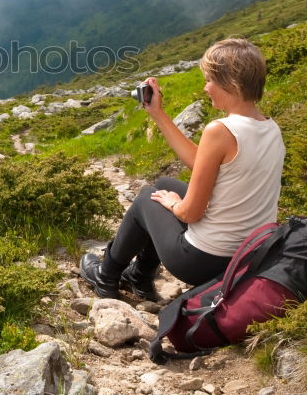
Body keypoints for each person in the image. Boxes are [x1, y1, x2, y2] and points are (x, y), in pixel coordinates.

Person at [80, 38, 285, 300]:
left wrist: (175, 204)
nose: (205, 87)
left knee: (147, 198)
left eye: (210, 80)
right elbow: (202, 162)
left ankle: (106, 275)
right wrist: (158, 113)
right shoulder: (269, 127)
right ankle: (139, 278)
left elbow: (190, 213)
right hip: (246, 257)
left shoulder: (220, 130)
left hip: (204, 261)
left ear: (231, 83)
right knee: (165, 184)